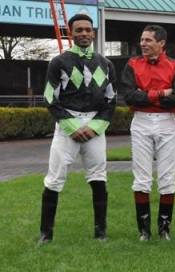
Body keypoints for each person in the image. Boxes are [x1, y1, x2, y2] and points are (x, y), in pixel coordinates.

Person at [38, 13, 116, 244]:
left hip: (95, 126)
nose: (84, 33)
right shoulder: (59, 62)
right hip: (66, 126)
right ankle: (46, 234)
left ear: (93, 33)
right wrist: (71, 126)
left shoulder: (106, 63)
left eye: (87, 29)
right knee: (54, 178)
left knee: (98, 176)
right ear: (71, 32)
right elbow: (50, 97)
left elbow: (111, 100)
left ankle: (100, 232)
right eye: (79, 30)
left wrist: (96, 126)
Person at [120, 24, 175, 241]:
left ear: (161, 43)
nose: (143, 44)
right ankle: (144, 231)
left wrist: (146, 95)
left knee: (167, 178)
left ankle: (164, 229)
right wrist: (161, 94)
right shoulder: (132, 64)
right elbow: (129, 96)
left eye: (148, 40)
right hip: (140, 122)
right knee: (141, 178)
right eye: (142, 40)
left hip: (167, 122)